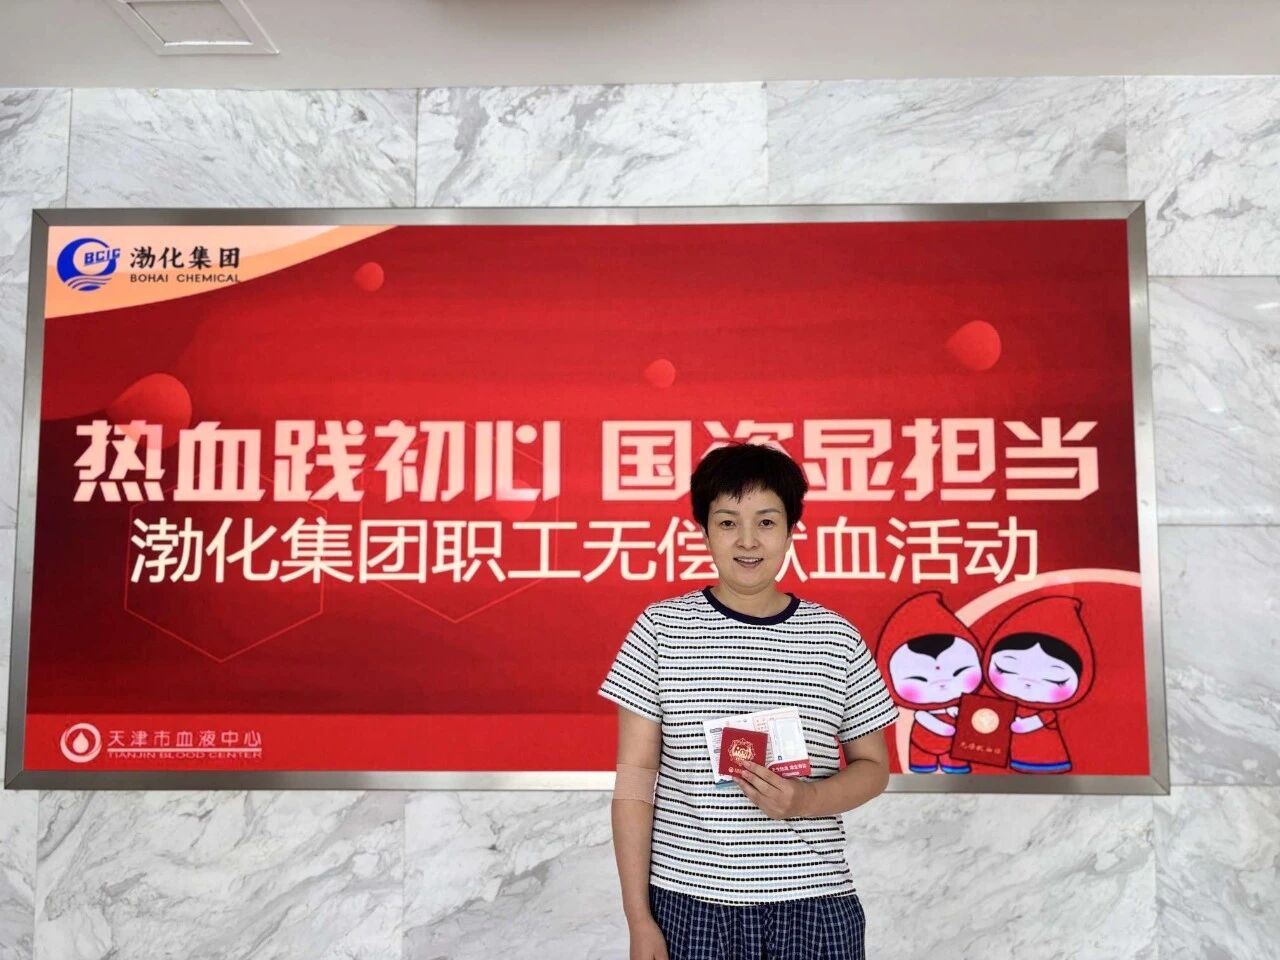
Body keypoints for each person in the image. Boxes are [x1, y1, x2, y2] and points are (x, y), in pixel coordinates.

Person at [598, 442, 899, 960]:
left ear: (791, 530)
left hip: (814, 903)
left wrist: (804, 801)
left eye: (766, 522)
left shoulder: (836, 637)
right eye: (727, 522)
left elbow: (874, 769)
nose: (747, 540)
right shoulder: (660, 630)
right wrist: (638, 918)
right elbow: (635, 783)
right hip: (689, 904)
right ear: (704, 531)